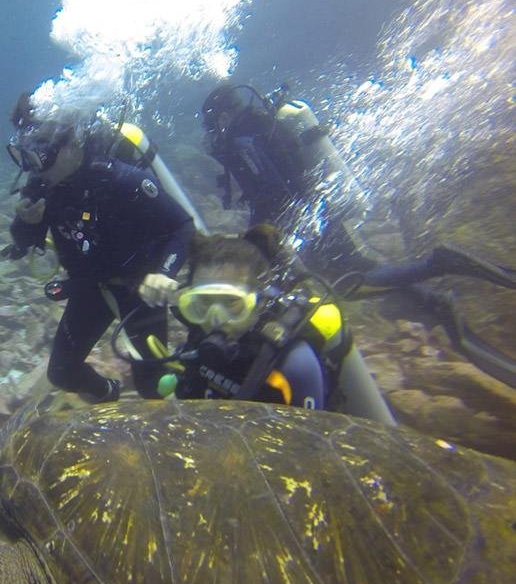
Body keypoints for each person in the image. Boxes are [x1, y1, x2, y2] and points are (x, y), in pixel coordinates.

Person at [199, 80, 516, 386]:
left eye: (213, 122)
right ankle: (433, 301)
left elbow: (271, 188)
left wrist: (259, 232)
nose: (213, 131)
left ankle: (438, 264)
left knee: (348, 282)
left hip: (308, 217)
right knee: (360, 270)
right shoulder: (260, 124)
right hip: (319, 208)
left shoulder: (244, 139)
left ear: (224, 114)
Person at [1, 93, 196, 403]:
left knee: (152, 387)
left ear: (73, 143)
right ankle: (109, 395)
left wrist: (164, 273)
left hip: (137, 288)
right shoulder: (42, 184)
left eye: (42, 153)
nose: (34, 166)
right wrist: (26, 222)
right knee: (62, 373)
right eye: (27, 153)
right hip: (88, 287)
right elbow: (24, 242)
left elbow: (182, 225)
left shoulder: (123, 180)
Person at [110, 227, 397, 424]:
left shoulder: (292, 365)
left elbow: (309, 448)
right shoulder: (200, 340)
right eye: (203, 304)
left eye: (232, 304)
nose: (215, 319)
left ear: (261, 302)